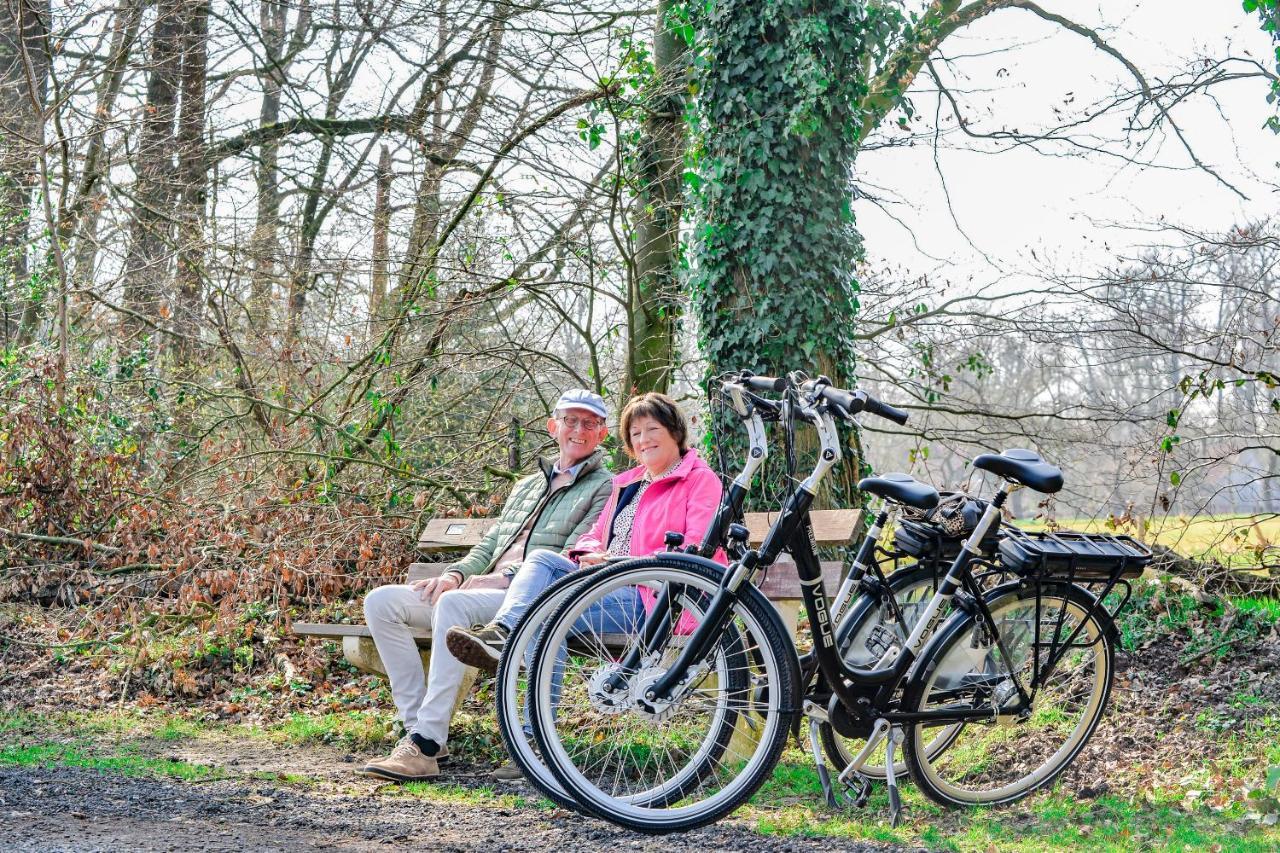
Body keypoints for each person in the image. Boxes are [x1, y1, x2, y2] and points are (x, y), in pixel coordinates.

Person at [358, 389, 613, 783]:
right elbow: (491, 543)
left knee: (453, 607)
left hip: (529, 596)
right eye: (570, 420)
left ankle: (424, 746)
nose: (578, 430)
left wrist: (504, 577)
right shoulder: (527, 485)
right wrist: (454, 574)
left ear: (603, 434)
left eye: (590, 423)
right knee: (381, 602)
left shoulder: (604, 487)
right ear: (553, 427)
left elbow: (572, 555)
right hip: (481, 592)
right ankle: (419, 729)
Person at [446, 390, 724, 691]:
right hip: (606, 583)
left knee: (546, 612)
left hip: (657, 598)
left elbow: (696, 550)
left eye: (653, 430)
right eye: (635, 433)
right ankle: (503, 631)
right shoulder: (628, 484)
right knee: (541, 560)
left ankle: (532, 730)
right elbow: (593, 536)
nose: (644, 439)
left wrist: (618, 563)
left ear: (675, 432)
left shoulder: (699, 479)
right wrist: (589, 554)